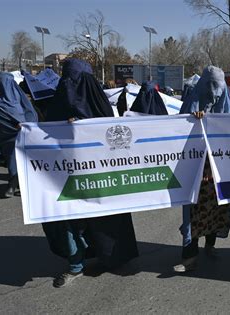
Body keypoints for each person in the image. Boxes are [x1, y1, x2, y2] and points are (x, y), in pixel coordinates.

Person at [43, 58, 139, 288]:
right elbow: (42, 137)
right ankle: (75, 264)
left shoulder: (99, 106)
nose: (70, 85)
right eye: (66, 79)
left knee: (104, 219)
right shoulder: (56, 104)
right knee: (66, 219)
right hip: (63, 175)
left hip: (98, 177)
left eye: (75, 79)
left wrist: (85, 128)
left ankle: (110, 257)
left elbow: (112, 140)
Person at [174, 65, 230, 273]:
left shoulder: (229, 111)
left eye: (217, 86)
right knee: (193, 213)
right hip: (195, 174)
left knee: (218, 209)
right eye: (209, 85)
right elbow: (177, 135)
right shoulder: (188, 109)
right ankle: (190, 256)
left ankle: (210, 245)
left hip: (219, 174)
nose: (213, 91)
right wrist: (193, 121)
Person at [0, 72, 38, 197]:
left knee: (17, 159)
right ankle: (14, 184)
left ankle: (16, 184)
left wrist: (25, 124)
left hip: (16, 133)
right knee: (13, 158)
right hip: (9, 135)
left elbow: (29, 111)